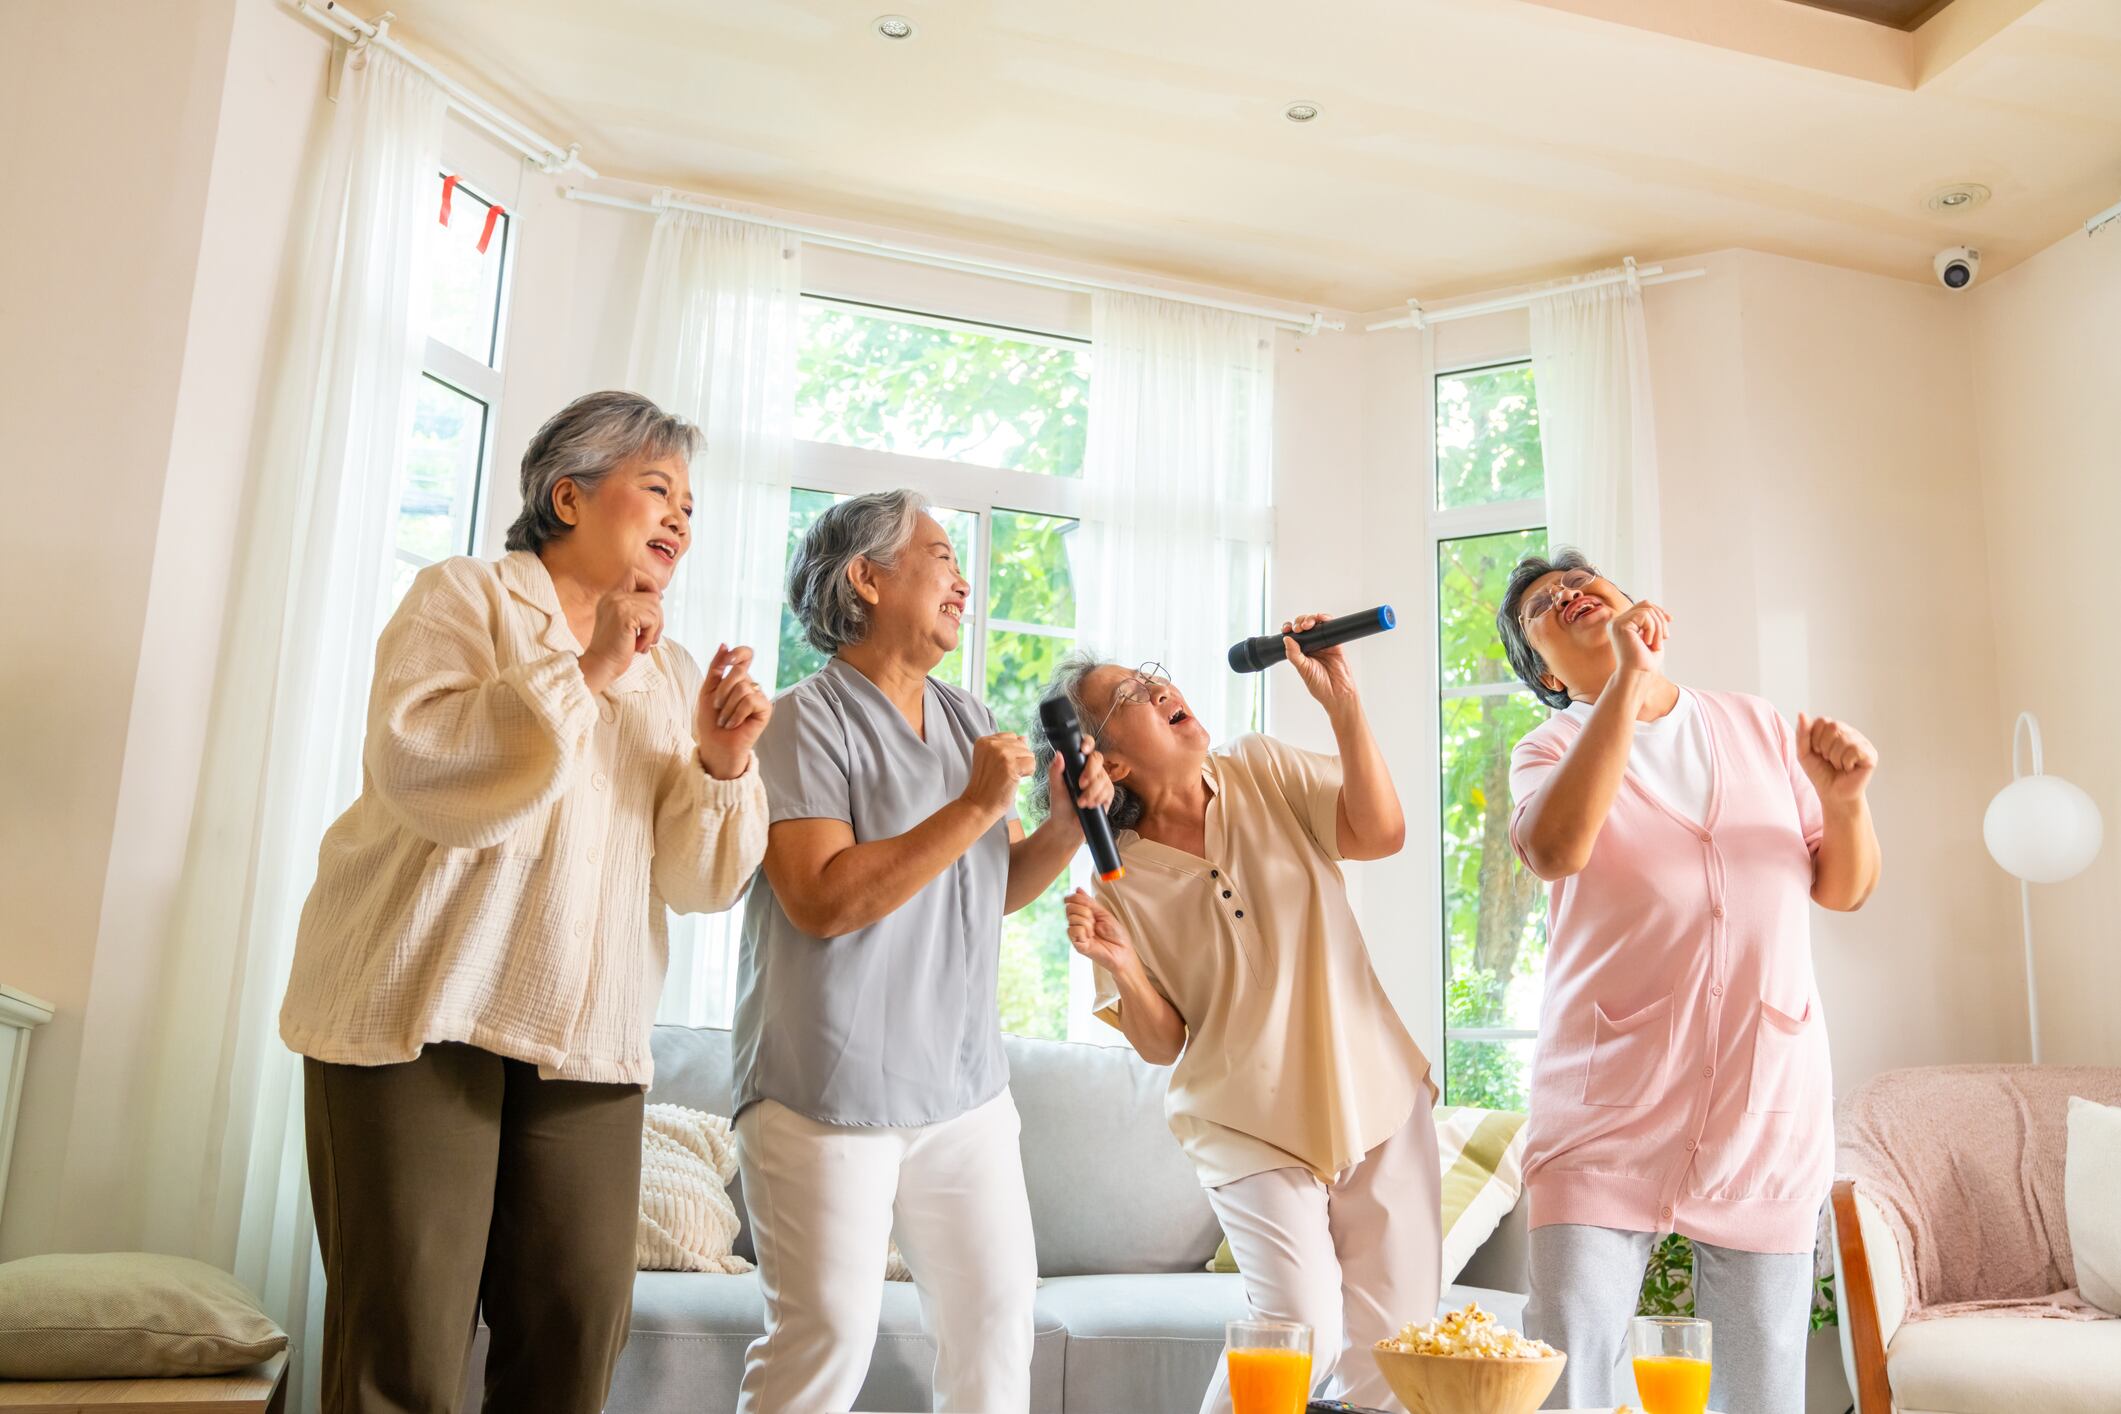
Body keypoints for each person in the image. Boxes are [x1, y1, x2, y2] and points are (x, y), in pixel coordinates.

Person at [279, 390, 772, 1413]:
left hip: (585, 1040)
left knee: (575, 1337)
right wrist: (584, 668)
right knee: (403, 1352)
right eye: (657, 489)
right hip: (419, 1017)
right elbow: (424, 766)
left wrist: (723, 763)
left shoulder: (674, 671)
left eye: (692, 503)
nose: (682, 516)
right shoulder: (464, 598)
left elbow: (696, 879)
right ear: (566, 496)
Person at [731, 489, 1113, 1414]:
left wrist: (1061, 829)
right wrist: (979, 805)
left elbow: (980, 892)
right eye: (940, 556)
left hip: (962, 1095)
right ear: (866, 578)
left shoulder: (964, 716)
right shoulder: (799, 721)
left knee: (993, 1333)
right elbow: (822, 898)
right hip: (825, 1095)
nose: (963, 579)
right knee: (824, 1344)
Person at [1496, 551, 1881, 1414]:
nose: (1563, 594)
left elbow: (1843, 889)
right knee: (1569, 1357)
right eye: (1537, 610)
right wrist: (1627, 687)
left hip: (1762, 1100)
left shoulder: (1753, 725)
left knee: (1760, 1378)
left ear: (1637, 605)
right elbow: (1557, 850)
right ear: (1547, 678)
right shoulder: (1548, 745)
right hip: (1604, 1103)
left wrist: (1846, 801)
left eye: (1578, 580)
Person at [1046, 617, 1440, 1414]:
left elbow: (1380, 832)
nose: (1160, 688)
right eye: (1129, 693)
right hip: (1241, 1118)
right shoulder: (1117, 877)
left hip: (1372, 1087)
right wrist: (1120, 961)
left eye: (1154, 672)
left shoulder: (1260, 767)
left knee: (1394, 1357)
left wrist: (1344, 706)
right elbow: (1161, 1045)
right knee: (1296, 1333)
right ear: (1107, 760)